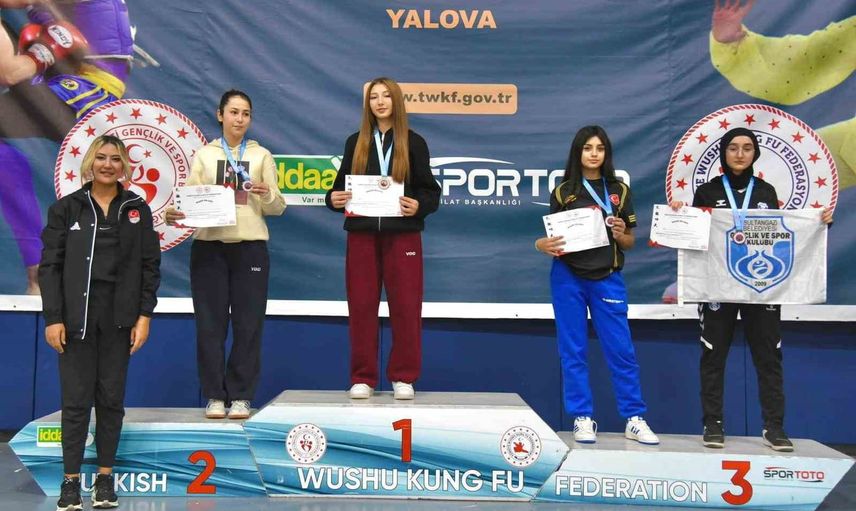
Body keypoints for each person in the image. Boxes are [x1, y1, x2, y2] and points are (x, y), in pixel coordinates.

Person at [669, 127, 833, 451]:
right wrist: (679, 217)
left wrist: (820, 222)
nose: (740, 154)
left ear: (755, 153)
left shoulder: (766, 191)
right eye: (733, 148)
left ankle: (774, 427)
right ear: (723, 152)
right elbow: (695, 239)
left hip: (761, 287)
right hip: (718, 286)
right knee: (713, 356)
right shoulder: (707, 191)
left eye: (747, 148)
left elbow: (782, 234)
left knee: (769, 357)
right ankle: (712, 424)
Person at [39, 134, 161, 510]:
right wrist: (54, 318)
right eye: (102, 157)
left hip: (119, 321)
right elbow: (50, 267)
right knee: (76, 402)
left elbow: (150, 267)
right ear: (90, 162)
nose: (108, 164)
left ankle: (105, 480)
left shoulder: (136, 208)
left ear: (124, 166)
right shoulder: (66, 208)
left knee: (111, 401)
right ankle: (71, 482)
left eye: (115, 159)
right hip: (76, 320)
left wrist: (144, 316)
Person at [0, 0, 135, 294]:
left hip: (89, 86)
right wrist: (45, 49)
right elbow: (9, 73)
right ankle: (40, 270)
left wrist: (46, 30)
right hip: (87, 85)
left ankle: (41, 271)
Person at [165, 90, 285, 420]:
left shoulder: (261, 156)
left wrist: (267, 193)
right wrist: (176, 214)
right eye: (233, 112)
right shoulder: (205, 155)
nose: (239, 119)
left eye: (245, 113)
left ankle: (242, 396)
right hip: (210, 249)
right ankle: (215, 395)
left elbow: (277, 207)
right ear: (220, 115)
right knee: (210, 326)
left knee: (248, 326)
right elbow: (189, 200)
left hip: (250, 249)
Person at [535, 125, 659, 445]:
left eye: (600, 148)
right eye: (587, 148)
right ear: (577, 152)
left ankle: (634, 417)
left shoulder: (620, 190)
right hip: (568, 278)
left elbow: (629, 241)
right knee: (573, 350)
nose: (594, 154)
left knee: (621, 350)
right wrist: (541, 245)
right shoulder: (563, 191)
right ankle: (582, 417)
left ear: (607, 153)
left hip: (608, 278)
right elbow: (551, 238)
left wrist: (620, 234)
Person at [325, 77, 440, 400]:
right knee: (361, 306)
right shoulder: (356, 142)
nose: (379, 102)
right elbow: (337, 189)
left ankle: (403, 376)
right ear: (368, 105)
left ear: (396, 101)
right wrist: (332, 199)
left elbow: (430, 192)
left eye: (386, 96)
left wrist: (419, 206)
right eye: (374, 97)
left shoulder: (414, 142)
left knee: (406, 306)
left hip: (403, 237)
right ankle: (363, 377)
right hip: (362, 236)